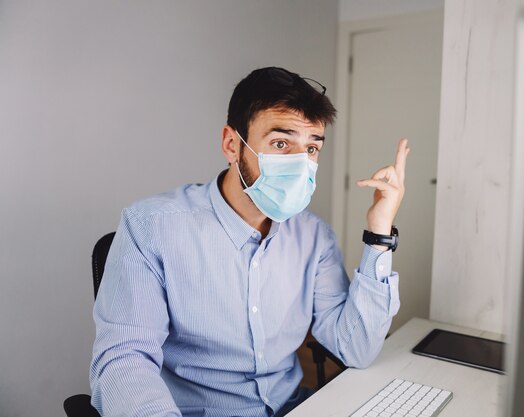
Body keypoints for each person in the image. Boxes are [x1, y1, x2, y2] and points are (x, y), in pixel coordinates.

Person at [90, 66, 410, 417]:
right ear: (232, 145)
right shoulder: (152, 227)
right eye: (280, 143)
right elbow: (124, 360)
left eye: (312, 149)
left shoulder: (315, 237)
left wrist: (380, 233)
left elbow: (357, 349)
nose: (300, 163)